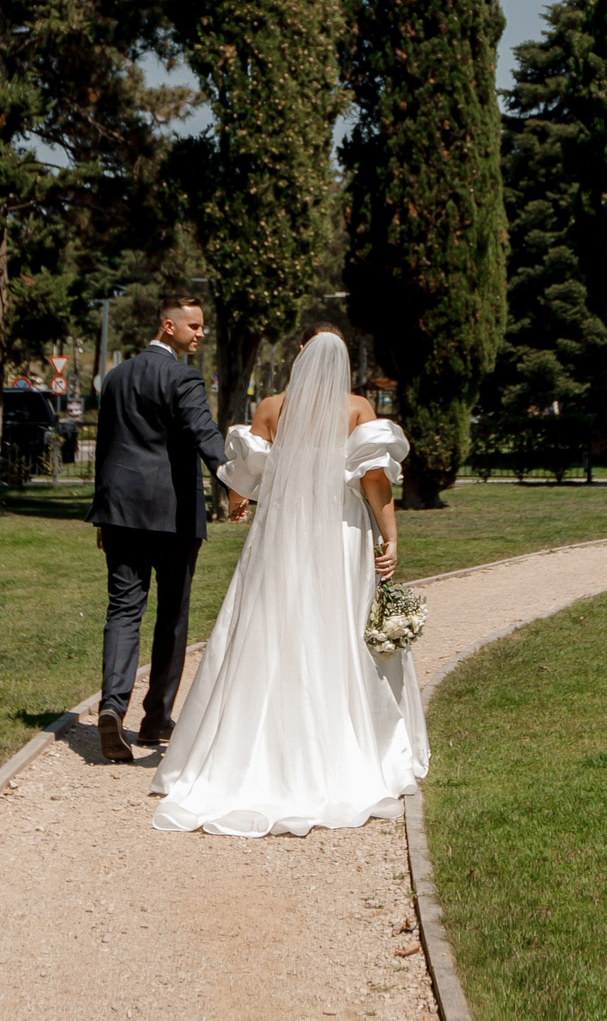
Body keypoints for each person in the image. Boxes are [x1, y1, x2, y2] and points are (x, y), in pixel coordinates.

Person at [149, 326, 429, 836]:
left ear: (301, 356)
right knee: (337, 629)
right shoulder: (357, 410)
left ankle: (246, 752)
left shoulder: (272, 408)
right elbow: (374, 480)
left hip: (280, 535)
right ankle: (345, 749)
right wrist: (390, 538)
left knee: (268, 625)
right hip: (339, 536)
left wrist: (236, 504)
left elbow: (247, 476)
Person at [89, 295, 244, 763]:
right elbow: (205, 435)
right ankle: (155, 718)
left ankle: (112, 705)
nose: (200, 334)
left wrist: (103, 511)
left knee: (123, 610)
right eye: (193, 326)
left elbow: (106, 445)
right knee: (172, 616)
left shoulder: (115, 378)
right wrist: (235, 483)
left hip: (119, 513)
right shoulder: (183, 376)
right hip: (172, 516)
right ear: (168, 325)